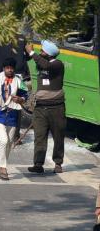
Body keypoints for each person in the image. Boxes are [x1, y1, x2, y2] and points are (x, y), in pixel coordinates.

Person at [25, 39, 66, 174]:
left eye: (42, 51)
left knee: (58, 136)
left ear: (49, 53)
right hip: (40, 108)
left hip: (56, 108)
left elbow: (45, 65)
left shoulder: (57, 65)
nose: (40, 53)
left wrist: (31, 52)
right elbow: (37, 62)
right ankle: (38, 163)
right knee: (39, 136)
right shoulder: (41, 64)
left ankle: (58, 163)